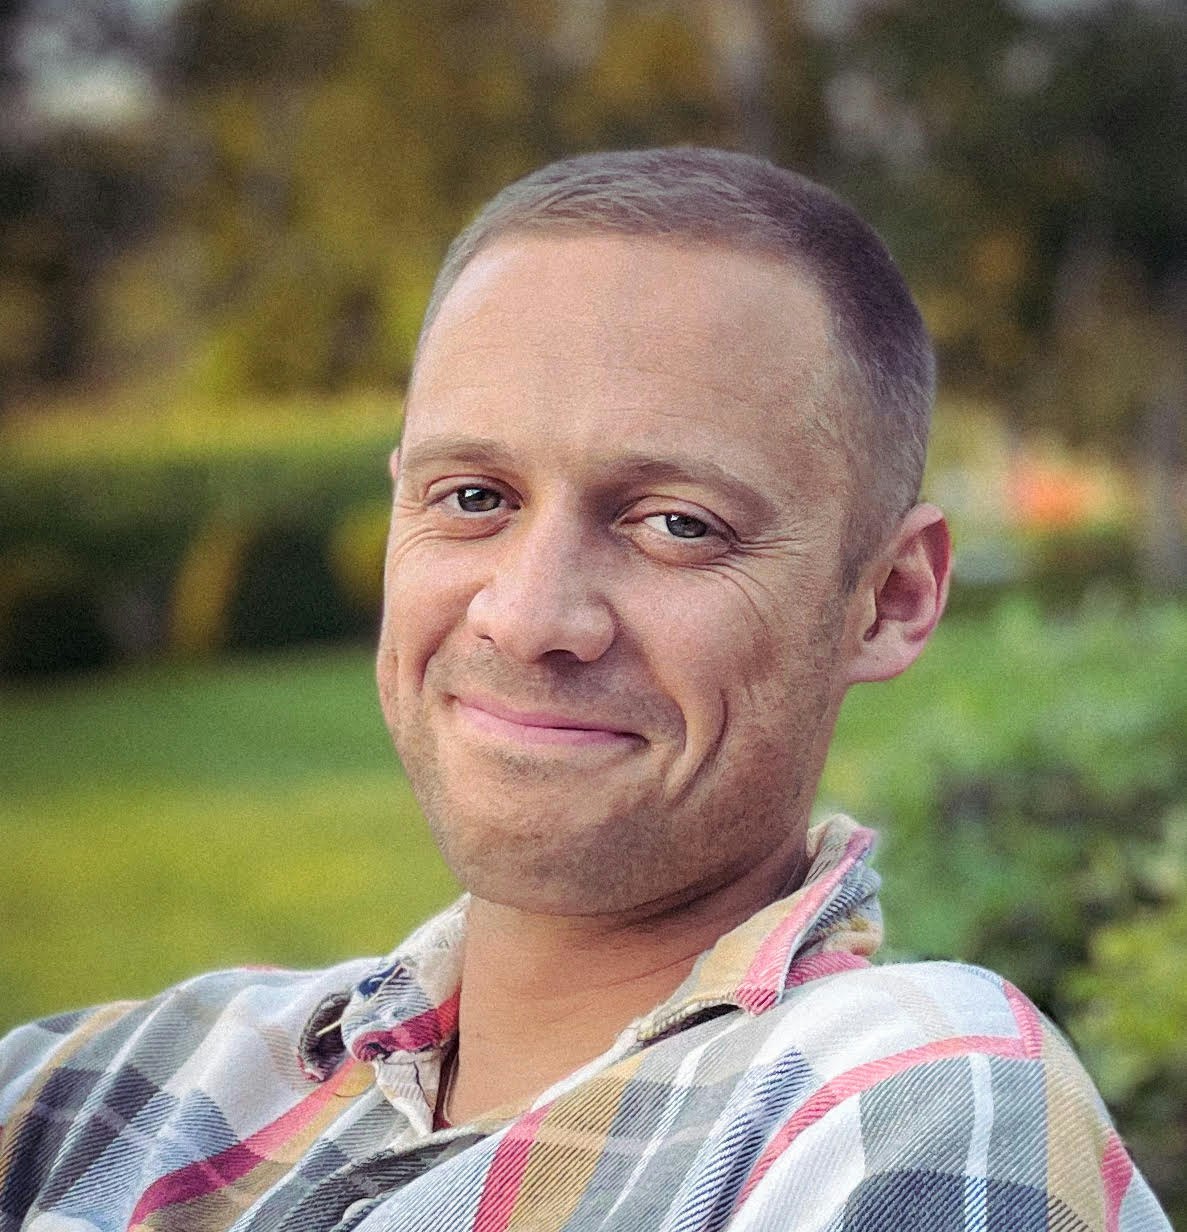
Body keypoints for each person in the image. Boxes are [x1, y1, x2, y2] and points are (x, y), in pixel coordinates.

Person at [0, 148, 1170, 1232]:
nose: (526, 615)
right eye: (473, 497)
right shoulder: (105, 1084)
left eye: (677, 523)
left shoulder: (906, 1103)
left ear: (891, 597)